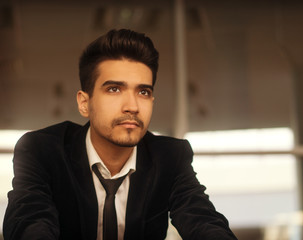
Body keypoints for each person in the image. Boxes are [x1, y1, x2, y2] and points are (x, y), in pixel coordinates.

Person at [3, 29, 237, 240]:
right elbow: (29, 221)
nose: (132, 106)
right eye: (114, 89)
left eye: (143, 92)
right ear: (84, 103)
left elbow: (202, 219)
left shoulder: (170, 157)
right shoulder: (43, 150)